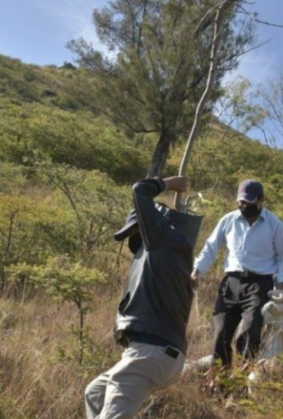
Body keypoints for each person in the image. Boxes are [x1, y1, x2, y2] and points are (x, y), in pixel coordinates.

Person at [85, 176, 197, 419]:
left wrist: (169, 184)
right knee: (95, 393)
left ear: (148, 227)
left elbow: (140, 190)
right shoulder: (171, 253)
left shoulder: (163, 242)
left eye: (135, 229)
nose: (131, 238)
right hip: (160, 354)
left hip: (151, 352)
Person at [192, 179, 283, 368]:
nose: (244, 205)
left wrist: (281, 285)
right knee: (221, 333)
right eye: (241, 201)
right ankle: (219, 384)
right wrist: (197, 270)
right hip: (231, 283)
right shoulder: (229, 220)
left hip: (259, 285)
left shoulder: (274, 225)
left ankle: (241, 385)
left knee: (249, 332)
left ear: (261, 199)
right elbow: (211, 247)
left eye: (249, 201)